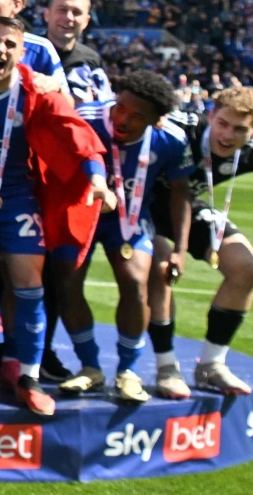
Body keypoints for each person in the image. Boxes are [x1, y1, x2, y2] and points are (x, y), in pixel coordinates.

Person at [0, 17, 113, 415]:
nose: (0, 50)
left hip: (18, 199)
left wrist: (98, 181)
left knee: (29, 283)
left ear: (21, 54)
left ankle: (29, 377)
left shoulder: (36, 90)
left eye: (9, 45)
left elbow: (78, 134)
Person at [146, 86, 253, 397]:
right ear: (210, 115)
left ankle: (211, 365)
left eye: (240, 129)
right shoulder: (178, 126)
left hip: (187, 208)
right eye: (222, 123)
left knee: (245, 267)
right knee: (161, 266)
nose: (227, 135)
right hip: (139, 205)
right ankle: (166, 367)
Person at [56, 70, 193, 403]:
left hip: (129, 222)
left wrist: (181, 249)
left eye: (137, 117)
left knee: (135, 283)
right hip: (81, 214)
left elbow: (181, 192)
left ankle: (128, 371)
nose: (123, 119)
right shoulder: (86, 118)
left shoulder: (171, 139)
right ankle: (90, 367)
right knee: (67, 282)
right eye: (121, 108)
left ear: (156, 121)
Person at [38, 0, 113, 381]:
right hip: (23, 173)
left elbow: (100, 118)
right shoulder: (28, 49)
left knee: (56, 272)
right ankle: (0, 355)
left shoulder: (91, 62)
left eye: (76, 12)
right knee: (9, 269)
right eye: (61, 9)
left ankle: (41, 352)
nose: (68, 17)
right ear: (46, 13)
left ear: (86, 20)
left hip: (67, 182)